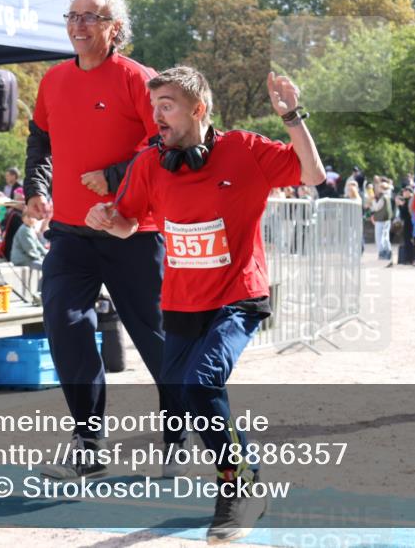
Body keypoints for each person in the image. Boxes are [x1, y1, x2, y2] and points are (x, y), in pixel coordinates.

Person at [87, 67, 325, 543]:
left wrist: (293, 117)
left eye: (167, 106)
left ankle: (236, 488)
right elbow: (129, 223)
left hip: (239, 296)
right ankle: (250, 476)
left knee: (201, 383)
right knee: (184, 393)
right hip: (180, 303)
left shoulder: (245, 150)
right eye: (154, 107)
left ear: (198, 110)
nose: (157, 117)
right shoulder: (151, 163)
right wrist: (104, 218)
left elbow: (313, 173)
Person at [24, 0, 177, 478]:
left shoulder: (139, 78)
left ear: (116, 28)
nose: (79, 25)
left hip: (131, 230)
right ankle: (88, 442)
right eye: (73, 16)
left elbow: (166, 140)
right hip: (70, 232)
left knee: (155, 336)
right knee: (64, 322)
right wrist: (37, 187)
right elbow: (39, 140)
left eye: (92, 17)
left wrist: (114, 176)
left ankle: (180, 430)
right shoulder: (53, 80)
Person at [370, 179, 394, 262]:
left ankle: (382, 253)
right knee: (386, 236)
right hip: (387, 220)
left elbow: (376, 207)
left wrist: (372, 201)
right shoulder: (388, 196)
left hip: (381, 220)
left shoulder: (383, 197)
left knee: (379, 237)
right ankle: (388, 251)